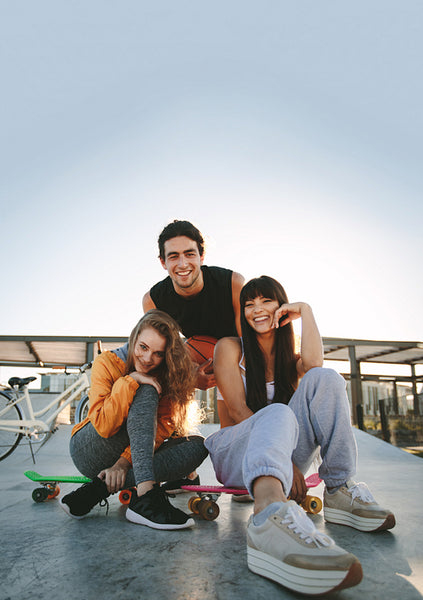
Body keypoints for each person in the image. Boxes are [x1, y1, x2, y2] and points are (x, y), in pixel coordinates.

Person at [204, 276, 396, 595]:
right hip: (235, 453)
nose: (257, 309)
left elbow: (314, 365)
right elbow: (237, 411)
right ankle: (267, 519)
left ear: (282, 307)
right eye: (249, 304)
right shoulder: (229, 347)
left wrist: (306, 311)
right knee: (277, 412)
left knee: (326, 377)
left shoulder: (288, 360)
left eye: (266, 301)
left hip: (281, 459)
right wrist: (288, 464)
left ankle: (338, 489)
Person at [60, 310, 208, 530]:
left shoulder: (168, 377)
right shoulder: (107, 362)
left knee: (198, 445)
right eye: (143, 347)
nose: (148, 359)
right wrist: (130, 381)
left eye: (158, 353)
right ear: (134, 338)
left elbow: (158, 430)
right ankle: (146, 494)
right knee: (146, 389)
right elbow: (103, 425)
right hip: (90, 448)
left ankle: (99, 489)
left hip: (131, 460)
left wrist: (122, 464)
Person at [143, 219, 245, 391]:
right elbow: (160, 356)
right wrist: (190, 375)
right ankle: (167, 419)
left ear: (201, 256)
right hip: (197, 356)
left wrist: (228, 365)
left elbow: (248, 341)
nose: (183, 264)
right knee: (151, 379)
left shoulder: (232, 283)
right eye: (174, 256)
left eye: (189, 254)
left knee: (241, 413)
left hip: (240, 355)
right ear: (163, 262)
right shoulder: (154, 300)